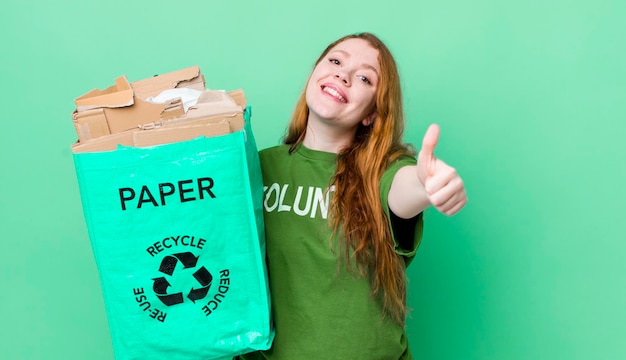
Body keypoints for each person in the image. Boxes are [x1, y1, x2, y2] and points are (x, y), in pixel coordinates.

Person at [238, 32, 467, 359]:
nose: (342, 75)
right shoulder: (256, 166)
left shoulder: (382, 173)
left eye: (363, 77)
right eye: (335, 61)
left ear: (371, 114)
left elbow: (403, 189)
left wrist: (426, 182)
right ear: (313, 75)